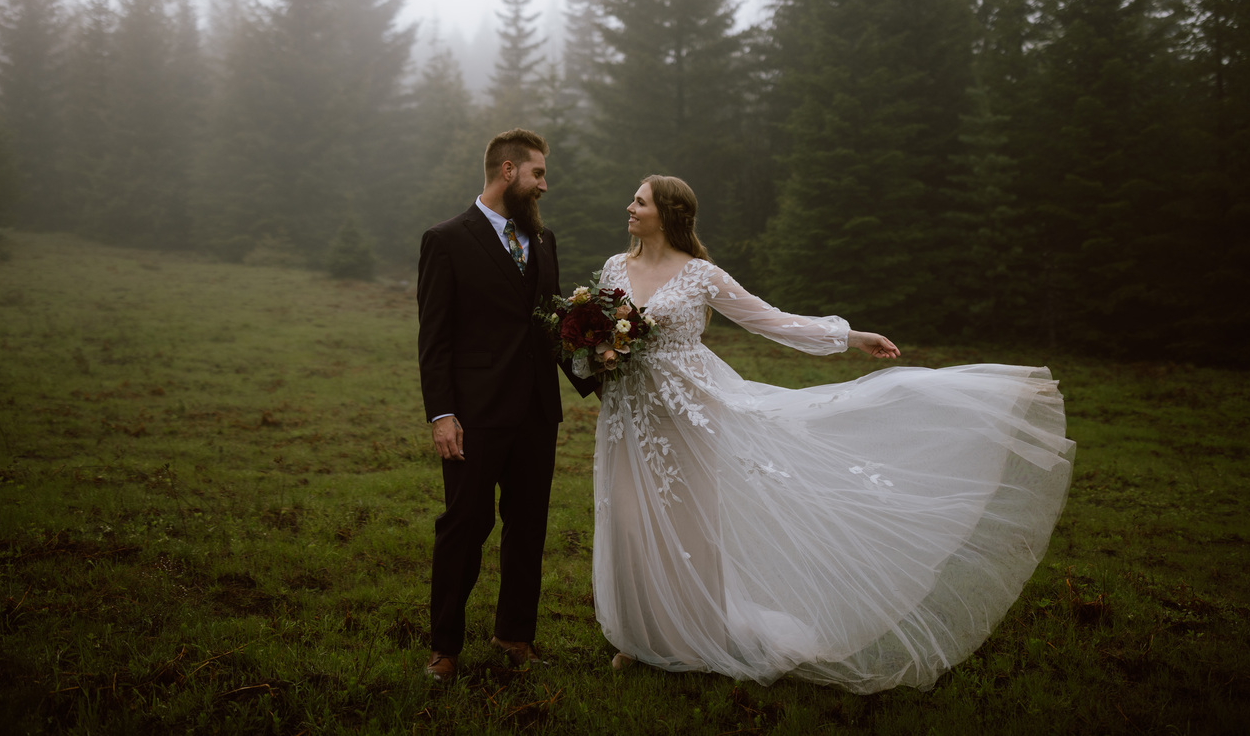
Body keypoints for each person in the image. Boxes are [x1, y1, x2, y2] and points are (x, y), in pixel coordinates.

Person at [590, 175, 1075, 693]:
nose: (630, 207)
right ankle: (639, 639)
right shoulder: (615, 268)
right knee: (628, 520)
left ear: (666, 213)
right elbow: (599, 330)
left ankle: (686, 641)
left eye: (639, 201)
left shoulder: (701, 275)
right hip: (626, 412)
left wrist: (849, 336)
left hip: (687, 415)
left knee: (687, 526)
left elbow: (770, 320)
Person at [416, 128, 595, 680]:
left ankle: (515, 634)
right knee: (464, 527)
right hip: (474, 416)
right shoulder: (446, 239)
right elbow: (435, 338)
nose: (545, 185)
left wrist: (600, 372)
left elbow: (550, 325)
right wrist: (441, 414)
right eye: (538, 173)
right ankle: (445, 647)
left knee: (529, 528)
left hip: (537, 413)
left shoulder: (543, 241)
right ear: (509, 171)